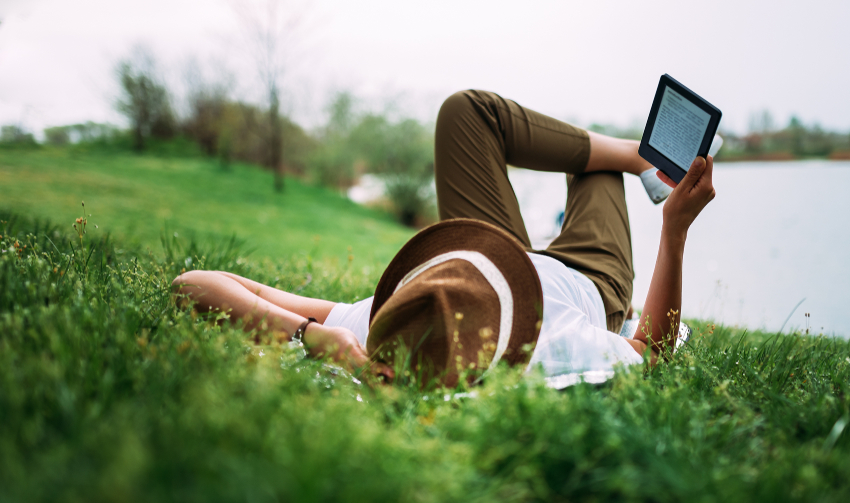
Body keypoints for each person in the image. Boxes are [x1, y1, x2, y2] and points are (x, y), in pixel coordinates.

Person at [172, 90, 716, 387]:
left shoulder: (382, 329)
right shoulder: (551, 346)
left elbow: (195, 283)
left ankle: (636, 153)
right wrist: (674, 231)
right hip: (587, 279)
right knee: (595, 173)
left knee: (466, 112)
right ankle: (637, 159)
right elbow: (652, 353)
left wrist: (317, 339)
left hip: (488, 255)